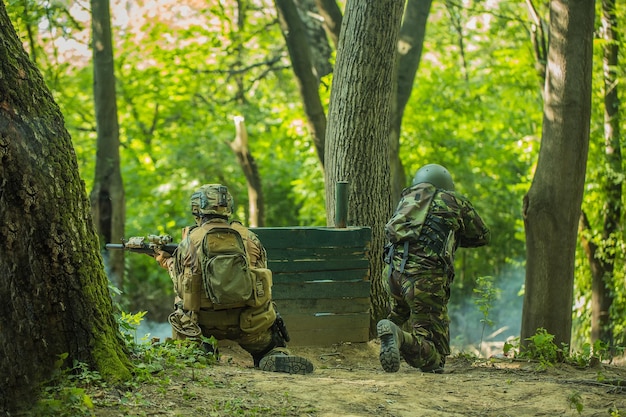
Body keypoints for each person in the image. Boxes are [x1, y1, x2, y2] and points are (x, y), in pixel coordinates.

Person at [155, 183, 314, 375]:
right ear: (228, 208)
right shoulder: (249, 238)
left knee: (181, 303)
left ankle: (197, 351)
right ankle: (273, 354)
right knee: (268, 345)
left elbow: (182, 286)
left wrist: (168, 264)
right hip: (251, 324)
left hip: (203, 325)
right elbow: (260, 277)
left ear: (196, 210)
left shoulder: (188, 242)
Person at [378, 164, 490, 373]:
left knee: (403, 308)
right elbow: (482, 235)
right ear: (447, 184)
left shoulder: (408, 200)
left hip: (393, 274)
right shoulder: (453, 200)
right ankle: (399, 336)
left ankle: (387, 327)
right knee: (435, 359)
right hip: (423, 281)